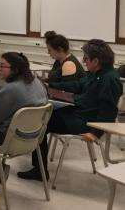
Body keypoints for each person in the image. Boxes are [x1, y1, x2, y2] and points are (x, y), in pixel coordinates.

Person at [18, 39, 123, 181]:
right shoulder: (97, 73)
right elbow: (78, 85)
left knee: (40, 121)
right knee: (43, 114)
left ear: (96, 61)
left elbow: (109, 111)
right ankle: (38, 167)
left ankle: (39, 170)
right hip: (77, 113)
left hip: (85, 122)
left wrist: (95, 133)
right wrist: (50, 85)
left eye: (86, 58)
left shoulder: (109, 78)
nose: (83, 61)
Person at [0, 52, 47, 193]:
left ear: (15, 69)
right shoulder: (38, 83)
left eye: (2, 65)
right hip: (33, 138)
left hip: (10, 140)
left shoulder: (8, 91)